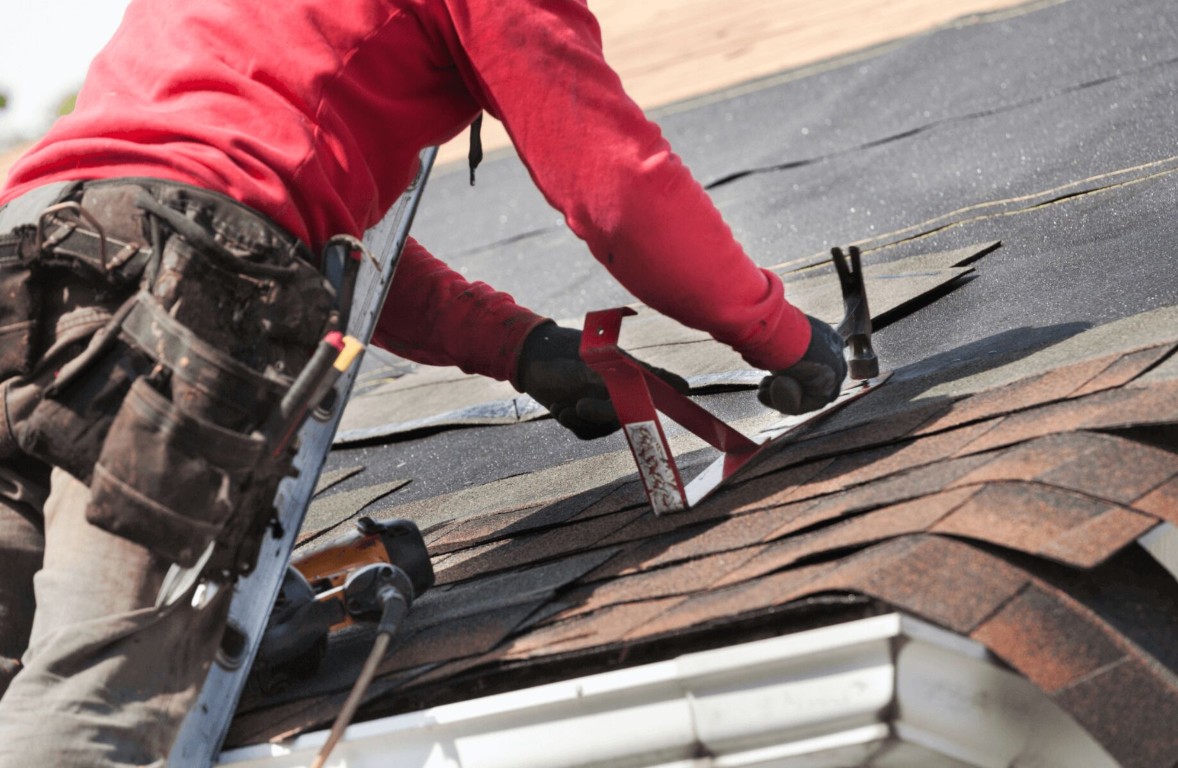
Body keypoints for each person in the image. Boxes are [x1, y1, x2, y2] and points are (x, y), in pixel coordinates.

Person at [0, 0, 847, 763]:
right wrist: (777, 332)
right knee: (100, 690)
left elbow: (290, 230)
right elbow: (616, 187)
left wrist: (520, 347)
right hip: (183, 297)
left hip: (31, 261)